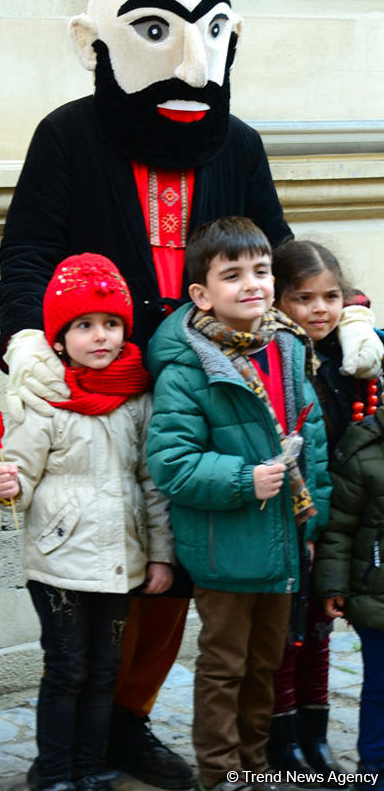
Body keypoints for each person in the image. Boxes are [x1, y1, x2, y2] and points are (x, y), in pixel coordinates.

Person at [0, 0, 380, 786]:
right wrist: (25, 342)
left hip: (211, 386)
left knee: (175, 569)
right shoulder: (66, 135)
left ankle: (126, 724)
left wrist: (346, 311)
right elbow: (27, 249)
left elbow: (278, 249)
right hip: (100, 390)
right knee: (105, 565)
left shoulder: (236, 143)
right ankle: (74, 747)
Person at [146, 216, 333, 791]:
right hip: (224, 543)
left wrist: (312, 518)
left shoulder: (286, 345)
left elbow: (316, 443)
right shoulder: (188, 367)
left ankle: (256, 764)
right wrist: (242, 479)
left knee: (266, 661)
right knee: (225, 665)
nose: (252, 284)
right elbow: (172, 463)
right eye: (233, 275)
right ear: (201, 293)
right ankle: (221, 772)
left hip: (283, 539)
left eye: (260, 271)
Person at [0, 252, 175, 791]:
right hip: (58, 562)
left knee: (104, 671)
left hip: (121, 561)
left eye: (112, 324)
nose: (101, 337)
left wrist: (160, 553)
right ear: (59, 337)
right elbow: (20, 473)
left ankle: (91, 767)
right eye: (85, 326)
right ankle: (53, 772)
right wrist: (9, 488)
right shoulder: (46, 402)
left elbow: (151, 483)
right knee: (68, 666)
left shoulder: (136, 400)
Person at [269, 238, 384, 782]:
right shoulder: (279, 358)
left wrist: (359, 319)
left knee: (321, 628)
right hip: (299, 515)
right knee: (289, 634)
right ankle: (283, 740)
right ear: (279, 300)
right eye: (304, 298)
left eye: (331, 296)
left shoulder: (354, 353)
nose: (320, 309)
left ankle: (315, 735)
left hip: (346, 517)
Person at [314, 404, 384, 791]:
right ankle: (374, 769)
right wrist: (334, 585)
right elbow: (340, 527)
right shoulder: (364, 452)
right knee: (380, 686)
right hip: (377, 593)